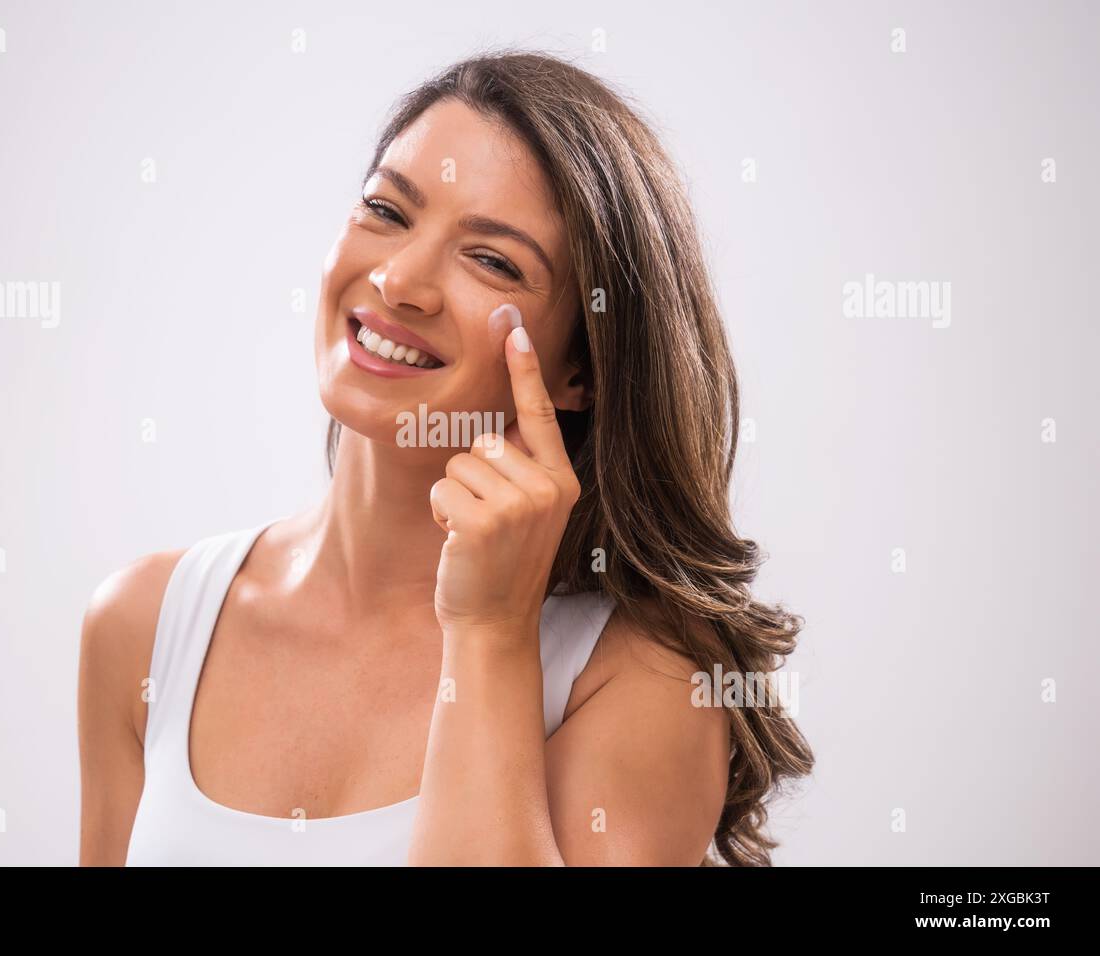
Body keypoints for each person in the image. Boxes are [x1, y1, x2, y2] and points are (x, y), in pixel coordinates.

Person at [78, 49, 813, 867]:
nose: (400, 281)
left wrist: (490, 636)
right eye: (387, 211)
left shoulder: (640, 681)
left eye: (492, 260)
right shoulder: (144, 626)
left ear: (582, 370)